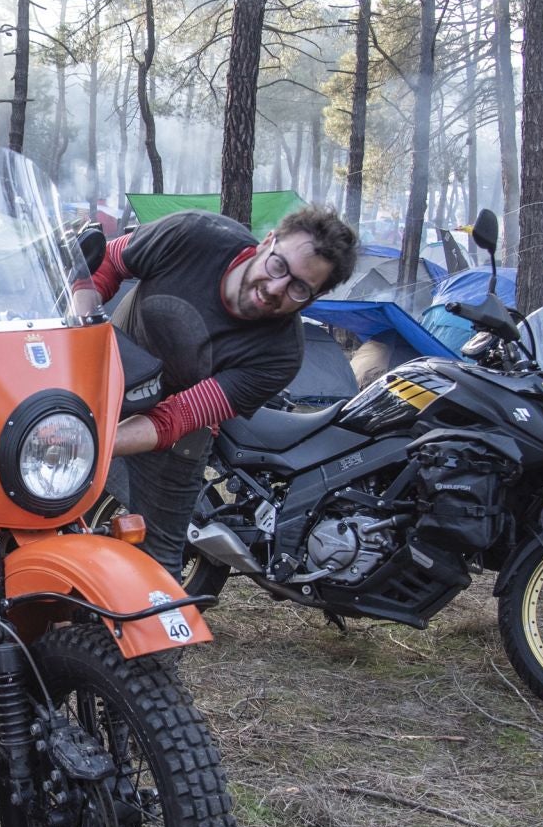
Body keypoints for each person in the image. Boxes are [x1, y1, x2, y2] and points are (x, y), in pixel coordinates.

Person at [91, 205, 358, 574]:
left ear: (312, 299)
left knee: (160, 557)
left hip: (176, 428)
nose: (276, 288)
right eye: (279, 265)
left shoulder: (279, 355)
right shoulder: (193, 234)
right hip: (102, 369)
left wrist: (92, 445)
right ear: (268, 242)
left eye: (299, 288)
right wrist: (76, 331)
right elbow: (107, 263)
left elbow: (178, 416)